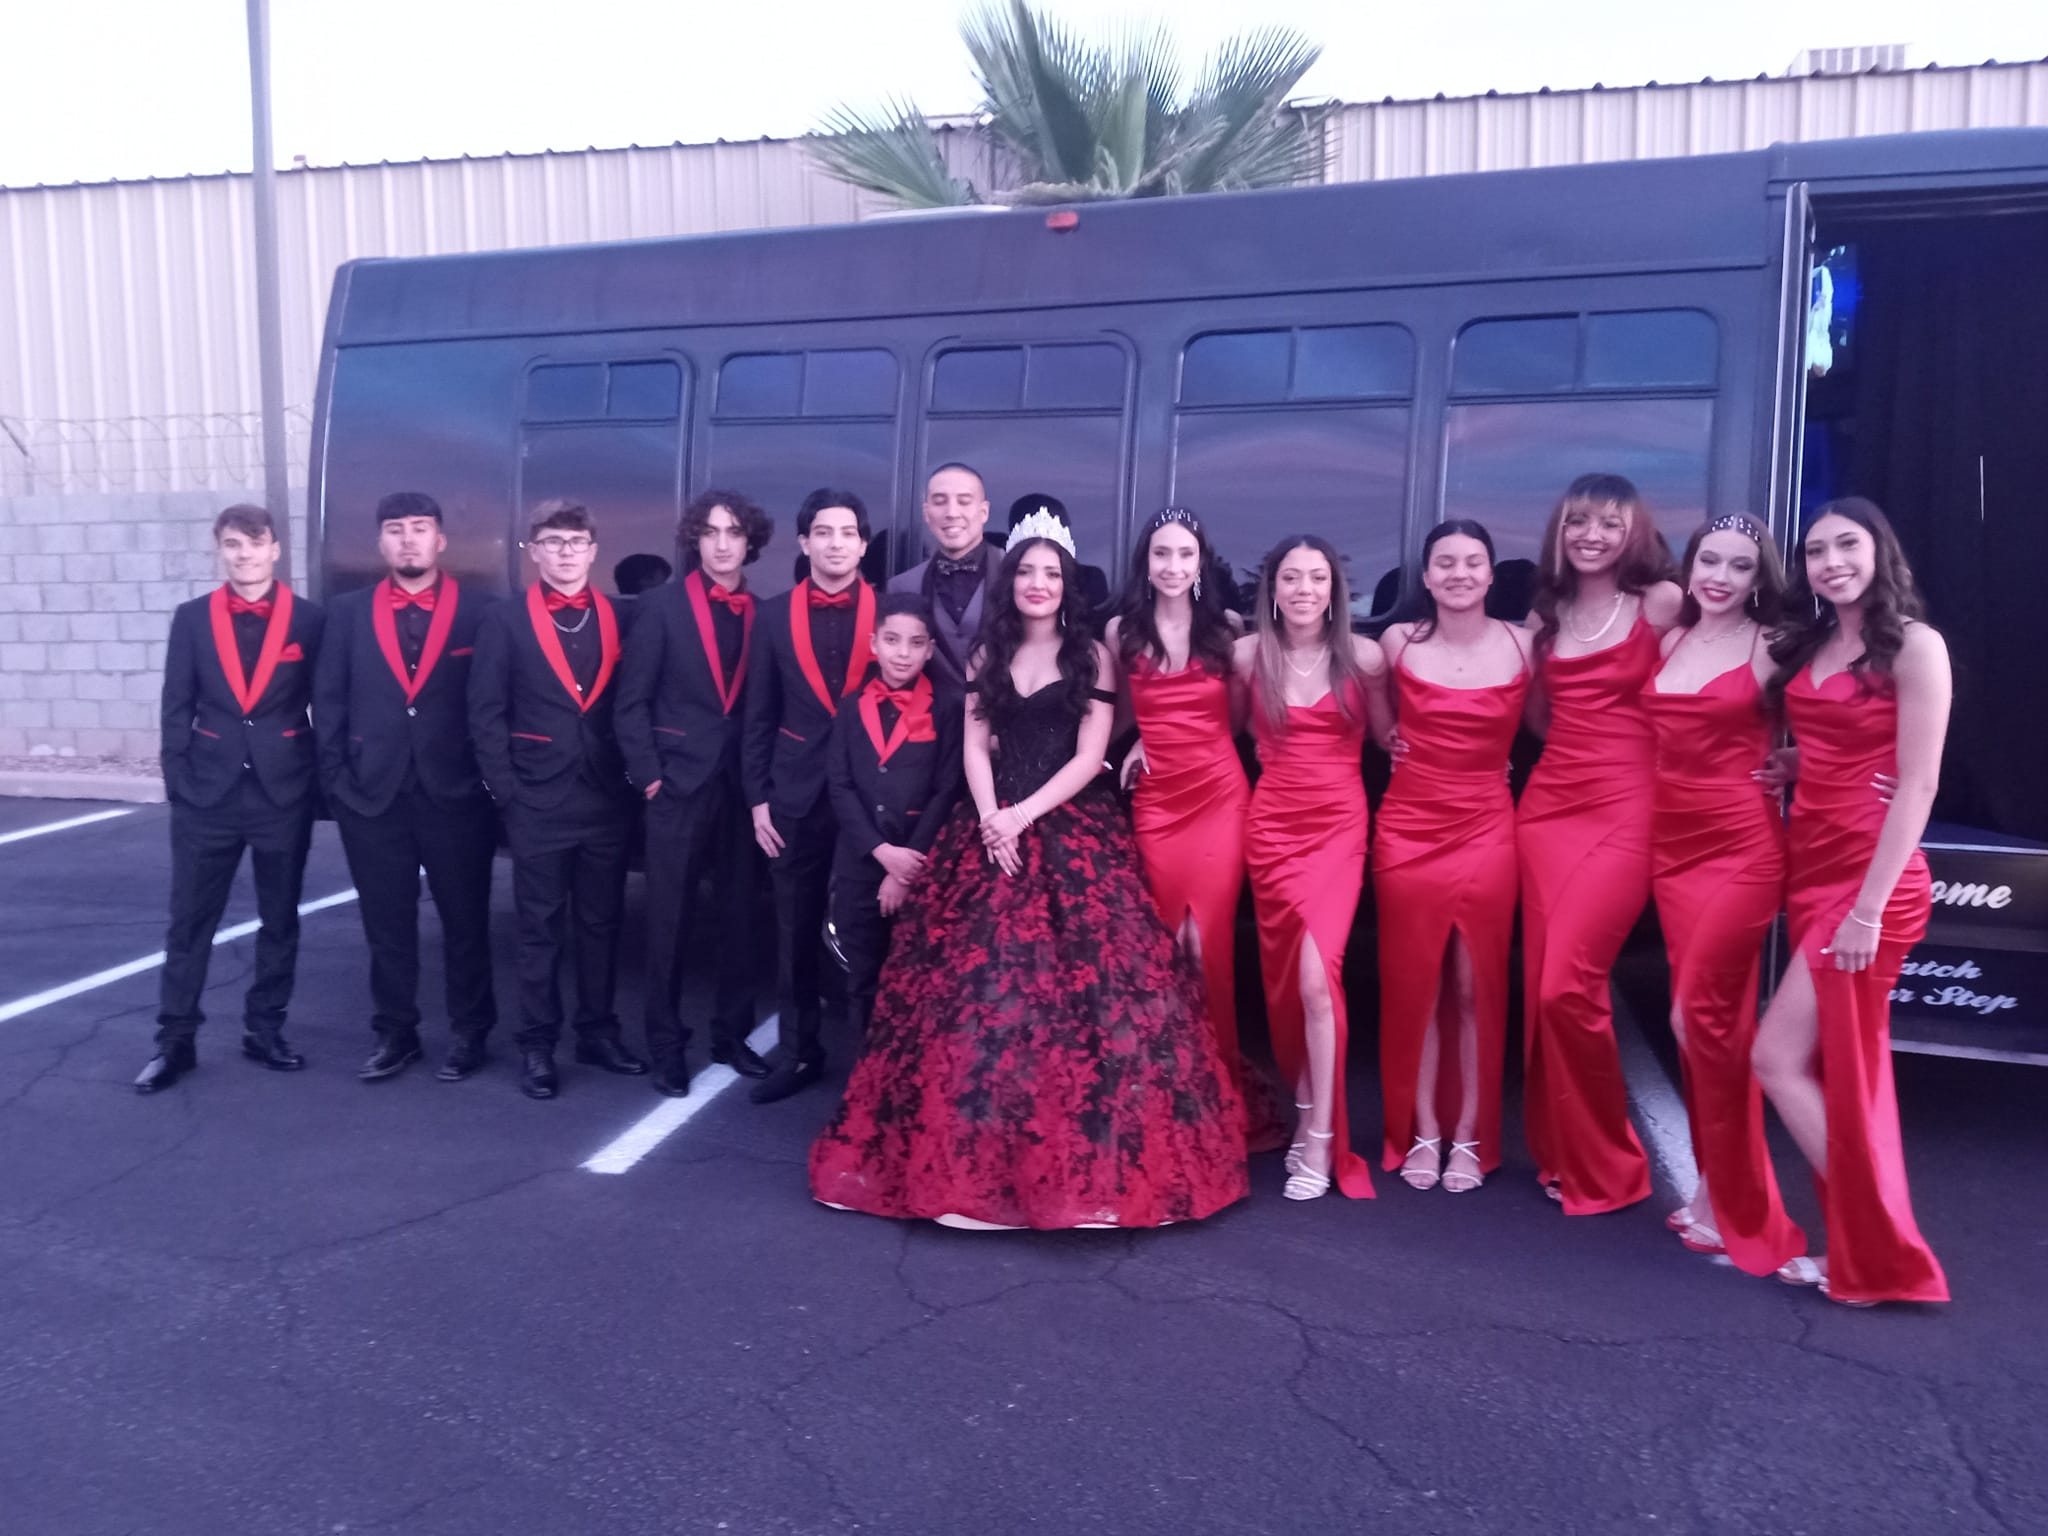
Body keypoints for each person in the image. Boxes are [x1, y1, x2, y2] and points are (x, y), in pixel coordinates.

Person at [810, 515, 1248, 1229]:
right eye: (1025, 572)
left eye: (1050, 573)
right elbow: (976, 745)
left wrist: (1021, 817)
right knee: (976, 991)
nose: (1037, 584)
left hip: (1068, 823)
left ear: (1065, 583)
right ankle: (973, 1160)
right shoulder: (990, 652)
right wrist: (990, 817)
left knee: (1096, 1000)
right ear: (1009, 584)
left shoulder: (1094, 656)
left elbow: (1089, 756)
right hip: (988, 827)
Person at [1755, 498, 1950, 1307]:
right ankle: (1862, 1252)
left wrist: (1869, 910)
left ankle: (1878, 1252)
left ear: (1879, 552)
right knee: (1834, 1067)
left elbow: (1920, 781)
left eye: (1847, 545)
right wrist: (1804, 766)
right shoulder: (1821, 643)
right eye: (1816, 552)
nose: (1831, 561)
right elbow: (1843, 734)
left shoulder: (1915, 646)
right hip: (1816, 863)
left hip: (1874, 883)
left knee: (1778, 1058)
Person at [1641, 514, 1806, 1272]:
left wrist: (1798, 762)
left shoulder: (1772, 648)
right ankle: (1715, 1186)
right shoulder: (1673, 640)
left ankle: (1738, 1201)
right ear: (1692, 563)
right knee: (1704, 1029)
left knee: (1694, 1016)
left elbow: (1838, 717)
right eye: (1710, 560)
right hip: (1672, 852)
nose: (1720, 577)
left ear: (1757, 578)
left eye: (1740, 567)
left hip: (1741, 849)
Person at [1517, 473, 1682, 1213]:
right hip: (1549, 808)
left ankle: (1611, 1165)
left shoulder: (1664, 603)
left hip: (1629, 809)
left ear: (1634, 532)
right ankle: (1563, 1155)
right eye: (1578, 521)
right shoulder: (1547, 611)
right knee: (1544, 986)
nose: (1591, 535)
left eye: (1609, 524)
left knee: (1568, 987)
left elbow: (1717, 679)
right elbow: (1540, 717)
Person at [1106, 507, 1279, 1149]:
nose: (1172, 566)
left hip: (1217, 796)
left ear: (1201, 561)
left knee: (1207, 948)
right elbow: (1119, 711)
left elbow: (1235, 718)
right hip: (1156, 802)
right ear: (1145, 562)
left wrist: (1189, 744)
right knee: (1165, 951)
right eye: (1161, 554)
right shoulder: (1124, 630)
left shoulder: (1226, 631)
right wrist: (1131, 746)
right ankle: (1164, 1092)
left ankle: (1216, 1093)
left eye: (1184, 554)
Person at [138, 504, 324, 1094]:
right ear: (220, 550)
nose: (243, 554)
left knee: (279, 918)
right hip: (208, 794)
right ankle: (175, 1041)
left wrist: (314, 779)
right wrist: (179, 782)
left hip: (281, 790)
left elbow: (328, 702)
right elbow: (175, 705)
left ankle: (265, 1029)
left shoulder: (309, 620)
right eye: (231, 545)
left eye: (253, 543)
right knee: (190, 921)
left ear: (274, 548)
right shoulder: (193, 618)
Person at [313, 491, 498, 1085]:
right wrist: (339, 783)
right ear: (381, 542)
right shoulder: (345, 614)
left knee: (466, 922)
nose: (409, 539)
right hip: (373, 795)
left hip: (456, 794)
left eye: (420, 528)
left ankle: (471, 1034)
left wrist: (484, 782)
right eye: (396, 529)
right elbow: (329, 701)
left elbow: (493, 704)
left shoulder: (482, 613)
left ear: (441, 540)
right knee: (386, 923)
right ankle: (396, 1034)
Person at [1372, 521, 1532, 1194]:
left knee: (1474, 987)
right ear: (1427, 578)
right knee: (1416, 987)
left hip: (1489, 828)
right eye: (1445, 563)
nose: (1459, 573)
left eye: (1473, 562)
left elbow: (1558, 726)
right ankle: (1422, 1133)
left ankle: (1469, 1134)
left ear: (1491, 574)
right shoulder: (1395, 643)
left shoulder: (1527, 644)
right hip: (1408, 829)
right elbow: (1380, 729)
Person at [469, 500, 647, 1099]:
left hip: (605, 796)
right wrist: (508, 792)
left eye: (576, 542)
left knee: (601, 923)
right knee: (539, 929)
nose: (566, 551)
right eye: (553, 541)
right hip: (536, 797)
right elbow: (486, 713)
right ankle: (538, 1045)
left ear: (594, 551)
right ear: (534, 551)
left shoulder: (621, 617)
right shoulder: (505, 620)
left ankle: (597, 1030)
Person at [1236, 535, 1390, 1201]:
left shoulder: (1363, 656)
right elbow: (1223, 733)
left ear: (1336, 590)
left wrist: (1470, 760)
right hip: (1271, 829)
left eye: (1317, 578)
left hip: (1337, 830)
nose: (1304, 589)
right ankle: (1303, 1109)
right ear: (1272, 588)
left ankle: (1324, 1134)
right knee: (1283, 988)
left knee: (1317, 979)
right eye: (1291, 578)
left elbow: (1393, 738)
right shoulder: (1248, 657)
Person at [615, 491, 776, 1097]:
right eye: (710, 532)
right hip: (677, 784)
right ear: (695, 539)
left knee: (739, 919)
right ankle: (665, 1044)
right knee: (669, 922)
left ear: (749, 541)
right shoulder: (658, 608)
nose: (722, 542)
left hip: (742, 788)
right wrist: (649, 776)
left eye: (733, 531)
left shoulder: (765, 613)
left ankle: (732, 1036)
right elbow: (630, 702)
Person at [743, 488, 878, 1104]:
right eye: (823, 532)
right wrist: (757, 798)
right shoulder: (770, 616)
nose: (835, 543)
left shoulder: (894, 613)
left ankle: (877, 1060)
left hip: (872, 799)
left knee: (872, 931)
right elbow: (758, 714)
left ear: (863, 544)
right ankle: (798, 1053)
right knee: (793, 931)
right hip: (792, 795)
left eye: (847, 533)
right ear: (804, 543)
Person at [824, 594, 964, 1040]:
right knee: (862, 977)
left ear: (929, 650)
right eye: (892, 640)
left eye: (915, 643)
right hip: (860, 863)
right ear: (874, 644)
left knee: (915, 980)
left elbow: (947, 789)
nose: (903, 653)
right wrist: (882, 853)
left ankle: (907, 1086)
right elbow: (840, 785)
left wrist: (905, 869)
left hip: (919, 865)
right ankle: (865, 1080)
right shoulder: (850, 707)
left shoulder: (946, 708)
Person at [889, 463, 1000, 691]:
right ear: (926, 513)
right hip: (930, 723)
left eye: (964, 501)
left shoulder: (1019, 573)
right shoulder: (901, 586)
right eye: (940, 502)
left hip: (1007, 722)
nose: (951, 512)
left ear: (984, 512)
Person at [1005, 493, 1111, 620]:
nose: (1038, 585)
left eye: (1053, 574)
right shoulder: (995, 575)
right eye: (1023, 572)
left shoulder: (1091, 579)